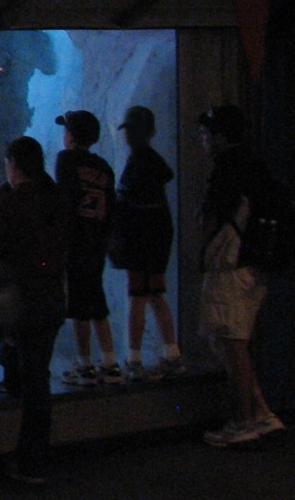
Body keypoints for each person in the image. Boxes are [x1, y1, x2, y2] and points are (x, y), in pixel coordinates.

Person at [0, 136, 68, 483]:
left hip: (22, 301)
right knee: (36, 374)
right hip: (52, 296)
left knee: (30, 377)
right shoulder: (56, 199)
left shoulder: (13, 203)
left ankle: (30, 461)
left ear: (13, 164)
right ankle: (33, 457)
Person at [197, 104, 286, 447]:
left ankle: (245, 420)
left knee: (231, 343)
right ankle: (261, 412)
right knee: (231, 341)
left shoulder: (227, 169)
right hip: (255, 267)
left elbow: (211, 218)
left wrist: (201, 251)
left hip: (231, 268)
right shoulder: (255, 165)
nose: (202, 140)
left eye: (206, 134)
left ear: (220, 137)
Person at [109, 105, 182, 379]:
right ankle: (172, 353)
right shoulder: (155, 163)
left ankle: (134, 359)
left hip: (139, 241)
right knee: (156, 295)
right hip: (158, 239)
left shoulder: (137, 162)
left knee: (137, 298)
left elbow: (126, 203)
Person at [55, 110, 121, 387]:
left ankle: (86, 364)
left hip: (75, 241)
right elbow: (111, 206)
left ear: (71, 135)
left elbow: (65, 201)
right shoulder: (104, 167)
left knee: (79, 306)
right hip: (97, 241)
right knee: (95, 299)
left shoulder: (66, 160)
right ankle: (110, 362)